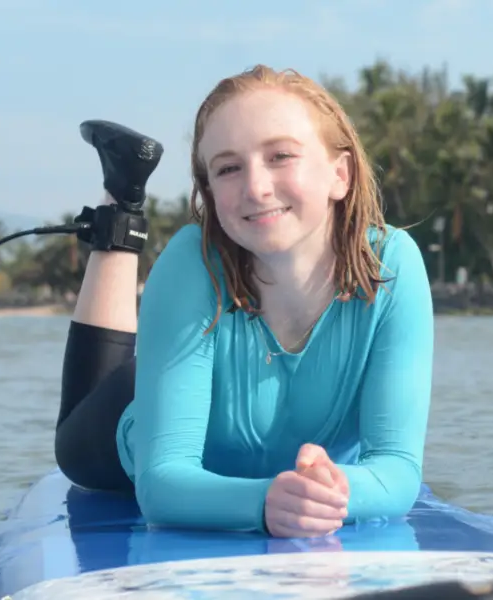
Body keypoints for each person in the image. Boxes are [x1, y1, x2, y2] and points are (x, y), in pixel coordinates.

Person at [52, 65, 435, 539]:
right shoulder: (191, 264)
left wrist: (334, 488)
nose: (256, 187)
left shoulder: (392, 266)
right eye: (229, 168)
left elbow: (397, 469)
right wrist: (264, 502)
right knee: (76, 443)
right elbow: (161, 485)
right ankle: (121, 206)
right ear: (210, 192)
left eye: (280, 156)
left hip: (209, 364)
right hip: (133, 424)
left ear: (341, 174)